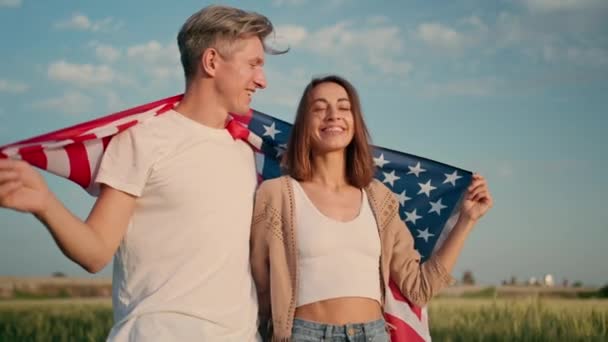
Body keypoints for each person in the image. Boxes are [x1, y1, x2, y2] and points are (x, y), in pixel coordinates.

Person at [0, 5, 285, 341]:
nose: (262, 80)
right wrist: (45, 203)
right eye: (254, 64)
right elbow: (95, 253)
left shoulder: (243, 151)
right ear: (211, 62)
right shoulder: (142, 140)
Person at [250, 75, 493, 341]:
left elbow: (419, 289)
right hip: (305, 334)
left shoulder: (379, 198)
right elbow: (259, 287)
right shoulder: (276, 195)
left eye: (344, 107)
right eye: (319, 108)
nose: (333, 115)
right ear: (304, 124)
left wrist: (466, 220)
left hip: (374, 333)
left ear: (355, 122)